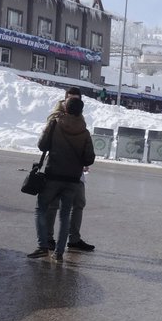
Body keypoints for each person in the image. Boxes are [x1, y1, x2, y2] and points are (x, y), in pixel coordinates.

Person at [30, 96, 96, 261]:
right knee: (65, 214)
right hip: (73, 179)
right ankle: (59, 253)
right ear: (81, 112)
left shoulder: (55, 124)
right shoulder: (85, 131)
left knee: (41, 208)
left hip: (53, 175)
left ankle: (42, 246)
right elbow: (89, 159)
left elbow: (42, 145)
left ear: (65, 109)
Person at [46, 88, 94, 251]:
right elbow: (44, 142)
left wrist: (83, 160)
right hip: (57, 168)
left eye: (77, 99)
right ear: (64, 101)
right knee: (53, 205)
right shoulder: (55, 118)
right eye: (71, 99)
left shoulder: (80, 119)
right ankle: (48, 238)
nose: (74, 102)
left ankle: (74, 238)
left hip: (75, 171)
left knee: (79, 202)